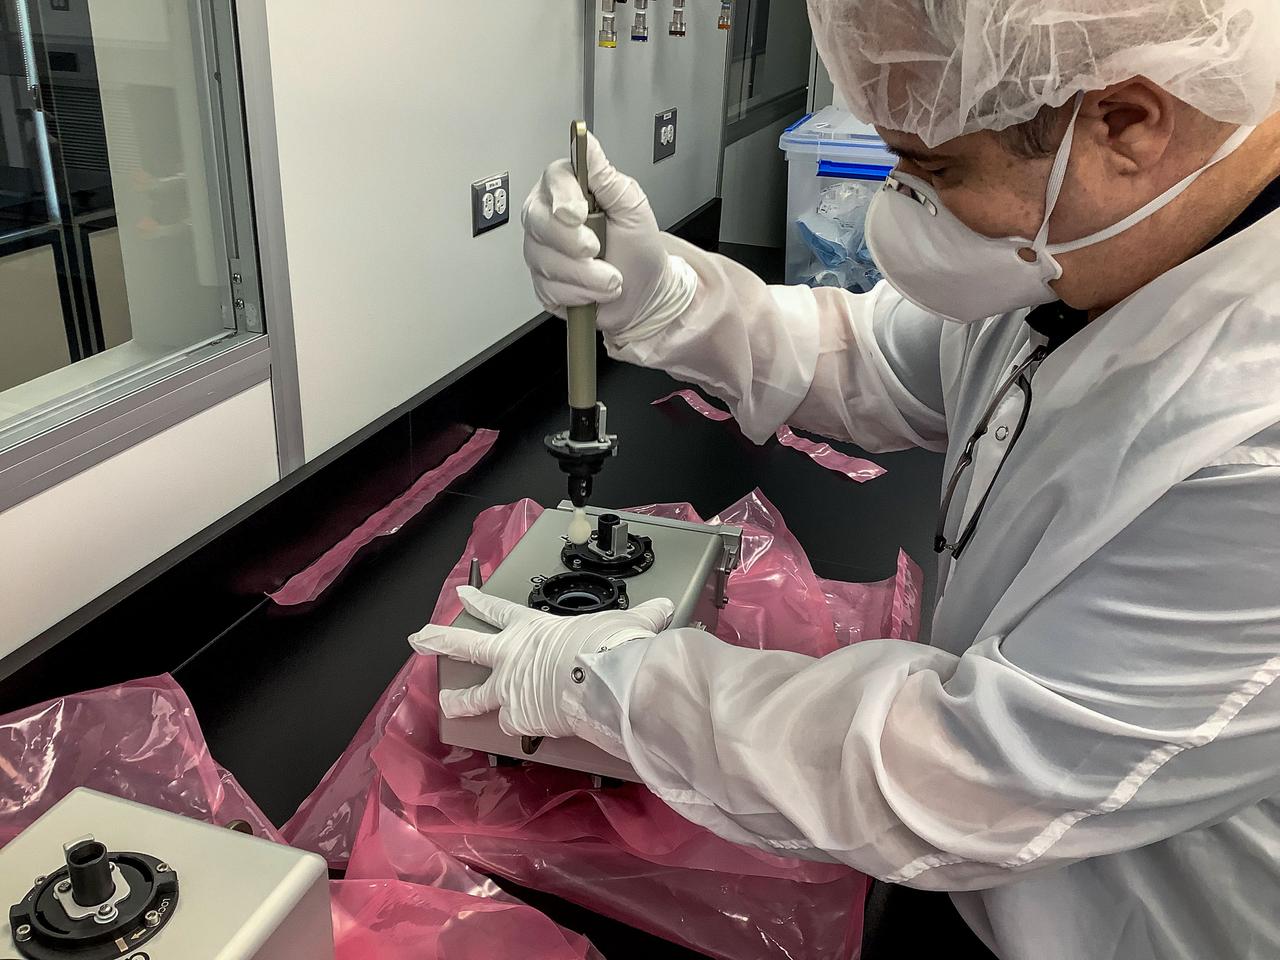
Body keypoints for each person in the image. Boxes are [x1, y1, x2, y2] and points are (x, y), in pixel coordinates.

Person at [410, 2, 1280, 957]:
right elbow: (882, 359)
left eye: (935, 169)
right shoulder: (1092, 244)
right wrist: (666, 296)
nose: (897, 211)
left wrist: (611, 686)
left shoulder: (1255, 437)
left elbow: (971, 776)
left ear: (1126, 122)